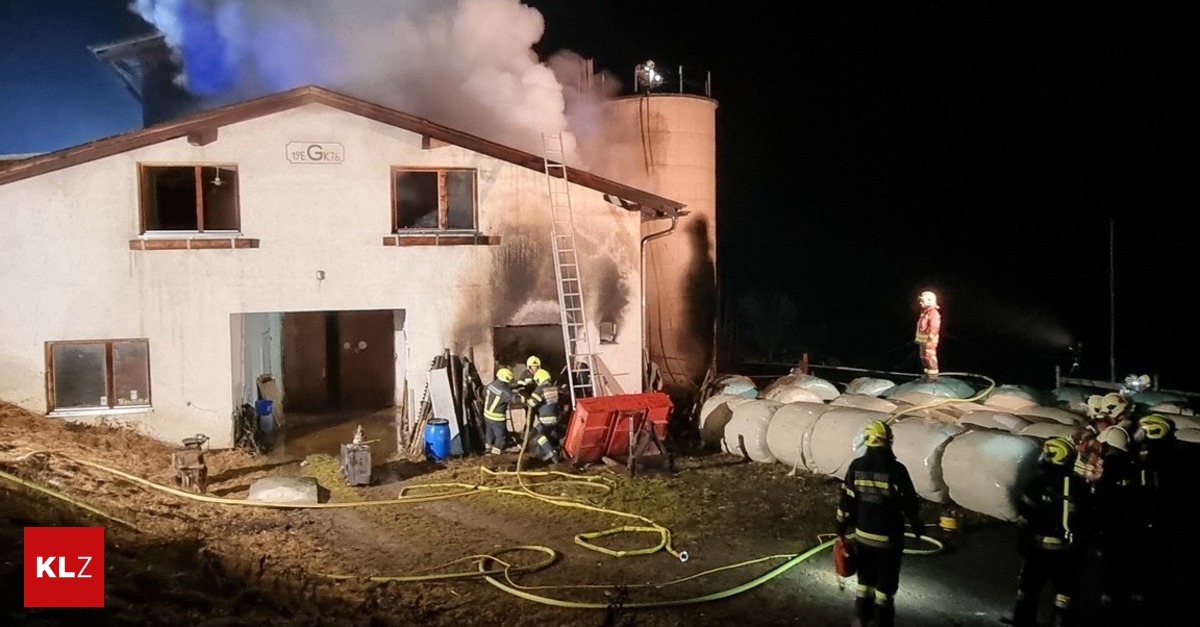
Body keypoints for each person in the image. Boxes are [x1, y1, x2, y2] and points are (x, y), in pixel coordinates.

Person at [835, 420, 923, 627]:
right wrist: (917, 524)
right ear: (889, 441)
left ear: (867, 441)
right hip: (889, 540)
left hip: (864, 536)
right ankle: (883, 620)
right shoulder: (897, 470)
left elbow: (847, 501)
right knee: (886, 584)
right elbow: (909, 501)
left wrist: (840, 527)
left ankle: (862, 617)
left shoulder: (856, 467)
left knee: (865, 581)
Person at [1010, 436, 1090, 627]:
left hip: (1039, 548)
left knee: (1028, 591)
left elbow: (1024, 517)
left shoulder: (1037, 484)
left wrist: (1022, 542)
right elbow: (1087, 519)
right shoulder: (1080, 485)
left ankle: (1022, 622)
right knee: (1064, 594)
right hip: (1069, 551)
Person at [525, 368, 563, 462]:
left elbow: (532, 403)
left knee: (538, 436)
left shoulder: (540, 389)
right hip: (556, 418)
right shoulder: (553, 388)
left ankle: (551, 452)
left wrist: (525, 399)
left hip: (545, 419)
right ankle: (550, 450)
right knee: (549, 434)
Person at [482, 367, 521, 455]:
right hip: (497, 418)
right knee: (501, 436)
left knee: (490, 433)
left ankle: (488, 448)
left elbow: (484, 393)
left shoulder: (491, 385)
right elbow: (515, 399)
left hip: (487, 415)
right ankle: (496, 453)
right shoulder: (505, 391)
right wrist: (522, 396)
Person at [914, 290, 941, 381]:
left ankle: (932, 377)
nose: (920, 303)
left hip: (929, 341)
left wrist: (931, 339)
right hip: (923, 340)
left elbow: (934, 326)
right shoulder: (925, 312)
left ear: (929, 301)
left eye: (922, 301)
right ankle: (927, 374)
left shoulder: (933, 313)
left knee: (930, 357)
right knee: (924, 357)